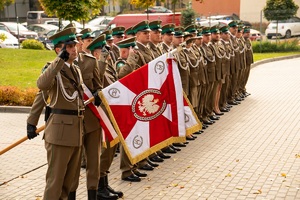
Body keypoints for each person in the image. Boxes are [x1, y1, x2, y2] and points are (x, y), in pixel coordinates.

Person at [36, 27, 84, 200]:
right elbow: (42, 85)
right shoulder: (52, 68)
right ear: (59, 49)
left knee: (68, 183)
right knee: (55, 182)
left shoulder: (75, 69)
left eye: (74, 45)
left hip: (76, 131)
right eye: (69, 46)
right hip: (60, 133)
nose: (74, 48)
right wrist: (58, 61)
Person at [87, 34, 121, 199]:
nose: (107, 52)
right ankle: (99, 188)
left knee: (111, 149)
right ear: (95, 53)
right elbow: (97, 82)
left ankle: (105, 184)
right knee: (105, 150)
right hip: (101, 114)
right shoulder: (93, 65)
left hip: (111, 112)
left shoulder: (107, 65)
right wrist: (101, 61)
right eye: (103, 50)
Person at [241, 26, 253, 97]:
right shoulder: (242, 41)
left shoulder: (248, 40)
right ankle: (241, 90)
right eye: (246, 33)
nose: (248, 34)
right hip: (244, 62)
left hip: (248, 61)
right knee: (242, 77)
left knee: (246, 77)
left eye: (249, 32)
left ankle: (243, 89)